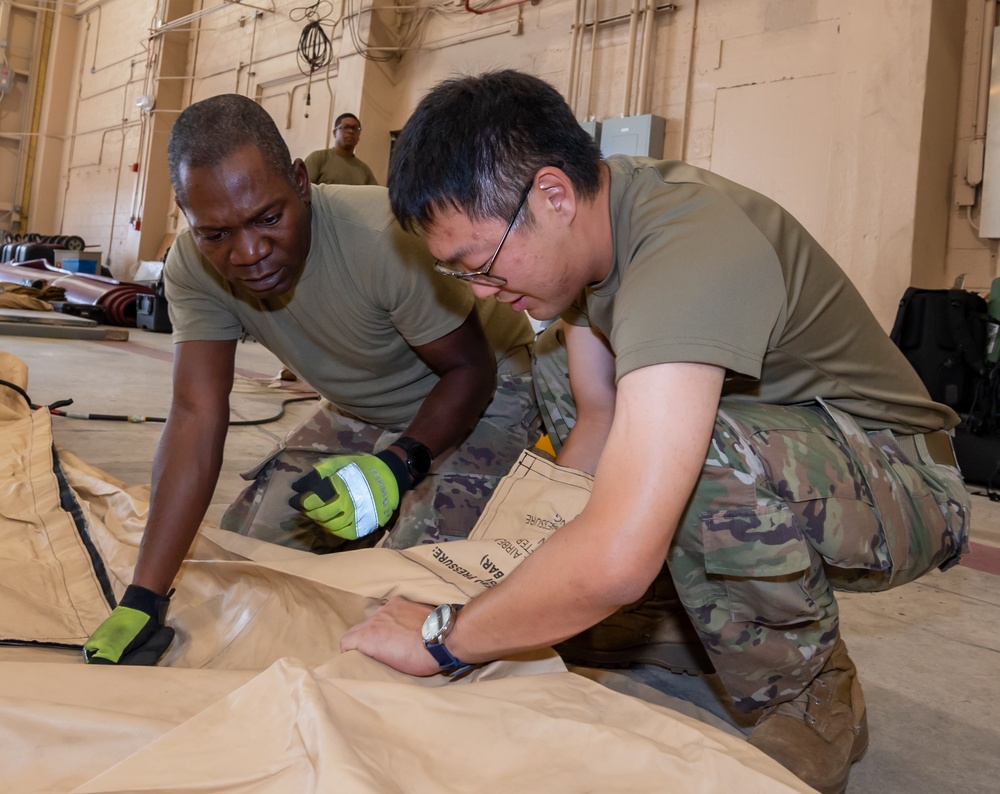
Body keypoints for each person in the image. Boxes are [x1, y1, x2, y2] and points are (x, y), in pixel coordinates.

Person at [338, 70, 971, 794]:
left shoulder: (687, 249)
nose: (481, 292)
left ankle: (807, 695)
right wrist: (509, 579)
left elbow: (618, 551)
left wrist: (443, 639)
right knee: (557, 379)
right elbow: (596, 427)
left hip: (905, 482)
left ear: (552, 193)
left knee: (699, 462)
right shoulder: (591, 238)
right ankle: (676, 618)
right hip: (805, 461)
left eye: (479, 263)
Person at [81, 94, 539, 666]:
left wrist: (398, 465)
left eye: (268, 218)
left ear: (300, 181)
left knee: (415, 594)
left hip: (489, 394)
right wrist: (143, 598)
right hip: (364, 405)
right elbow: (196, 414)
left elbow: (472, 370)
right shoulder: (193, 269)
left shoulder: (384, 236)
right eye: (216, 233)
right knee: (249, 561)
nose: (248, 252)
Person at [304, 112, 378, 186]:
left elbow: (375, 194)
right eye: (346, 127)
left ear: (359, 135)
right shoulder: (318, 158)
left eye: (355, 128)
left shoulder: (364, 169)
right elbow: (303, 190)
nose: (351, 131)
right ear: (335, 132)